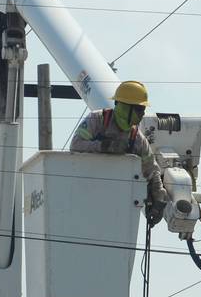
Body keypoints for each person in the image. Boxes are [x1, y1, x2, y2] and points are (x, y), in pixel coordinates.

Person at [70, 80, 168, 226]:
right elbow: (76, 145)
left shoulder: (136, 138)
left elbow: (151, 170)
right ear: (126, 108)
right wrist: (104, 146)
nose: (142, 114)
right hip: (87, 191)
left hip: (114, 202)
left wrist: (159, 197)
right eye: (139, 109)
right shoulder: (97, 120)